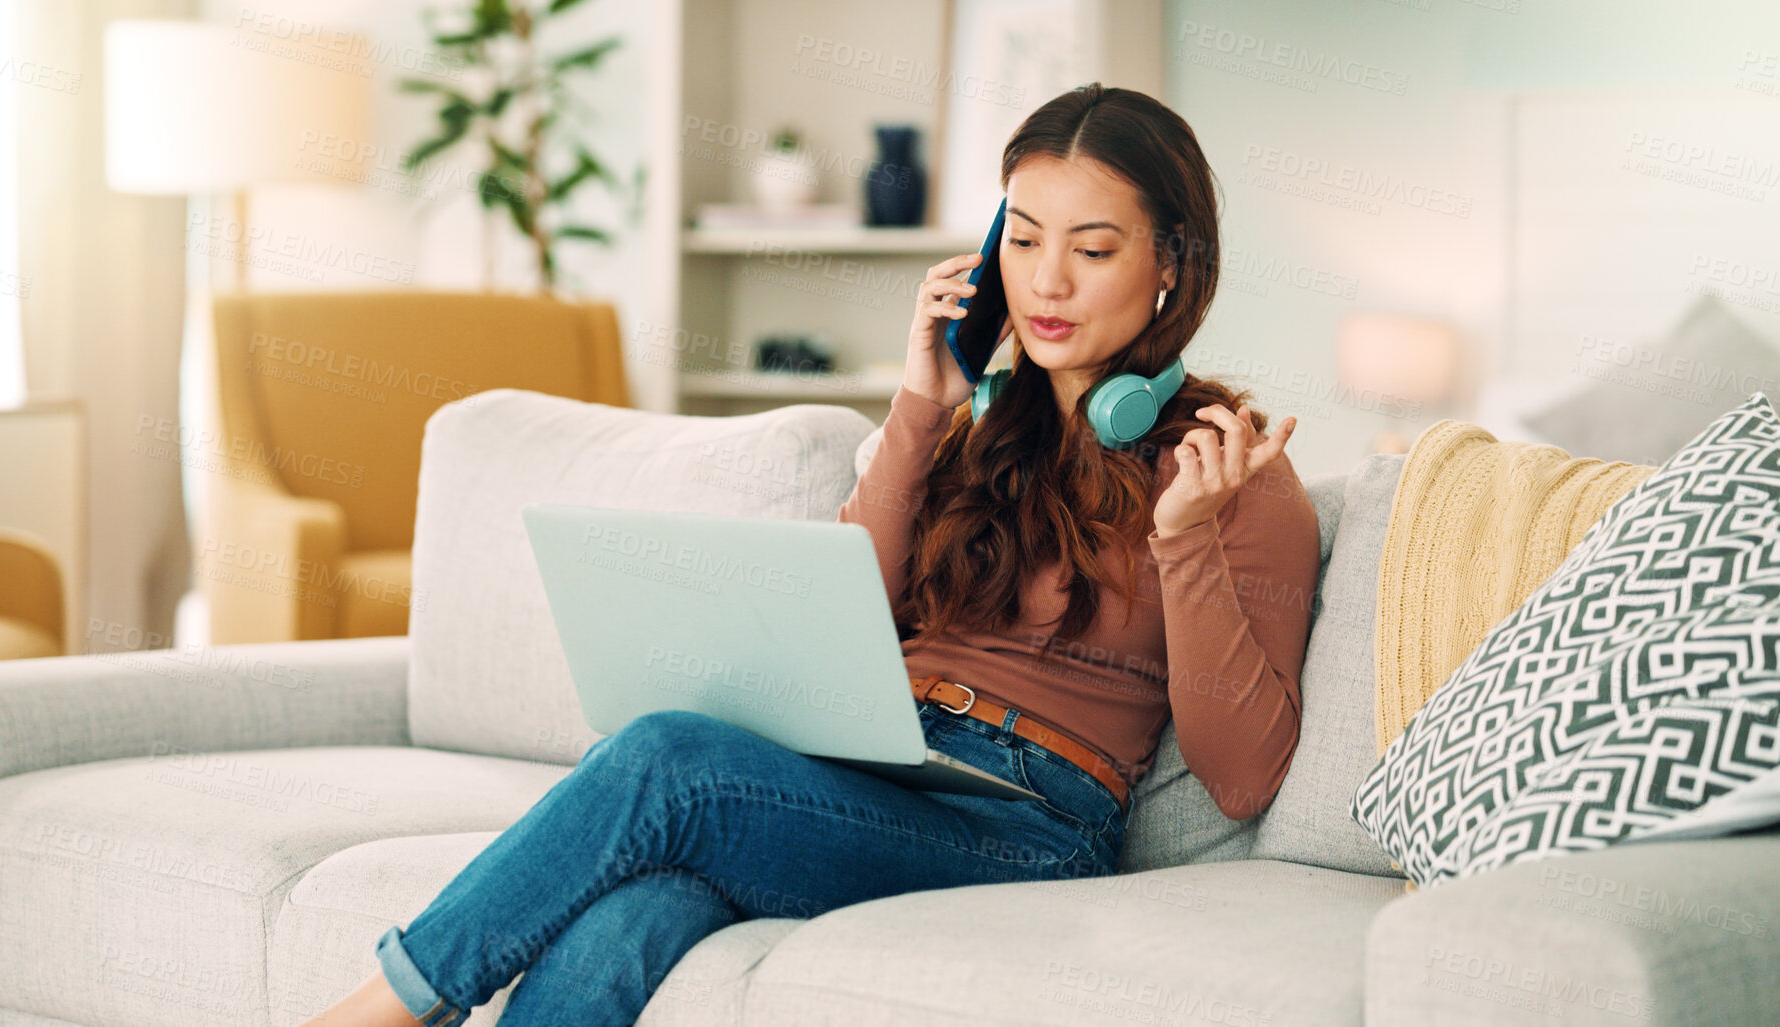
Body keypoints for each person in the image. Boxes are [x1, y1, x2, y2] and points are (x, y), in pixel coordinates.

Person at [301, 81, 1321, 1027]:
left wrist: (1183, 537)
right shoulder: (979, 428)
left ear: (1171, 265)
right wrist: (922, 413)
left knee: (666, 758)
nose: (1046, 281)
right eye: (1023, 239)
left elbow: (1243, 778)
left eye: (1093, 250)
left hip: (1036, 829)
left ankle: (379, 1009)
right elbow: (850, 620)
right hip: (879, 769)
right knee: (642, 904)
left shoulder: (1231, 469)